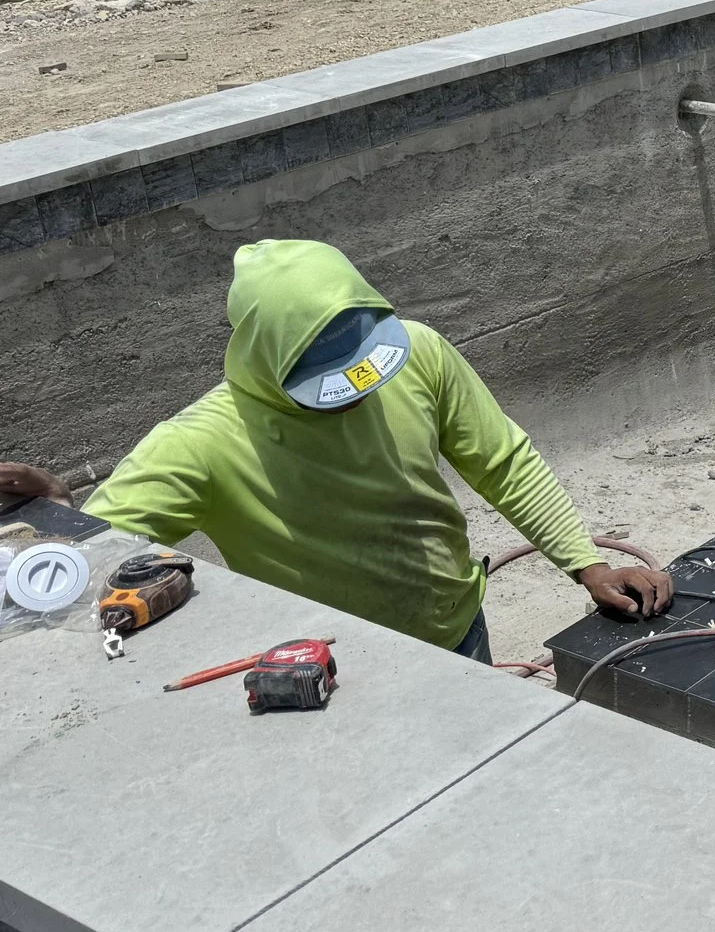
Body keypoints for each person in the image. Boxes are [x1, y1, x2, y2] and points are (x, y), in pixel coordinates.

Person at [0, 238, 668, 659]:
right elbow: (94, 562)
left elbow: (504, 461)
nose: (352, 387)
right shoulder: (202, 444)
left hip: (457, 630)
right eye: (327, 380)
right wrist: (62, 514)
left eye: (362, 364)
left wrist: (584, 563)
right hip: (339, 666)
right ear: (265, 360)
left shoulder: (421, 354)